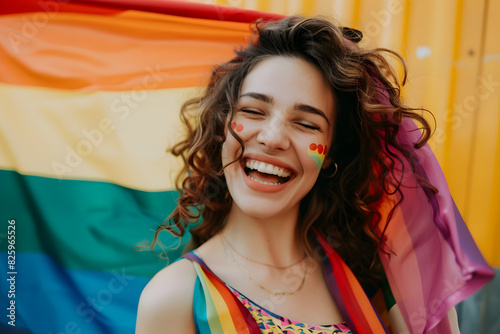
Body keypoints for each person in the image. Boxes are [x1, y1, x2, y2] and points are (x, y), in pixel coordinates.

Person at [135, 15, 487, 334]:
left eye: (306, 123)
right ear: (222, 129)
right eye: (253, 111)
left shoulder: (376, 281)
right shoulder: (177, 297)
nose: (272, 138)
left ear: (331, 154)